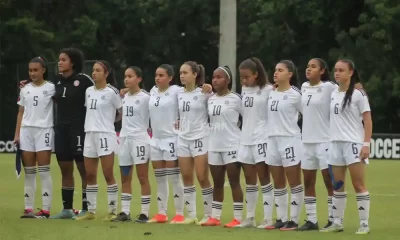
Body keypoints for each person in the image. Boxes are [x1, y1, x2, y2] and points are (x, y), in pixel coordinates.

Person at [320, 59, 372, 234]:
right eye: (335, 70)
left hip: (353, 144)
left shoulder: (358, 94)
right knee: (338, 185)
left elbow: (367, 120)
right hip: (335, 144)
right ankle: (337, 222)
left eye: (341, 70)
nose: (337, 73)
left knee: (358, 184)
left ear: (350, 73)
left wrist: (366, 144)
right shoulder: (334, 92)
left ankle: (364, 224)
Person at [75, 61, 121, 220]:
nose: (94, 73)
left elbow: (120, 112)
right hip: (90, 134)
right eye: (93, 70)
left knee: (108, 174)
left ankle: (112, 211)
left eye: (98, 70)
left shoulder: (112, 92)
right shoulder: (88, 91)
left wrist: (108, 123)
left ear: (106, 73)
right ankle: (91, 211)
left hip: (105, 135)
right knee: (90, 174)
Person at [201, 66, 244, 227]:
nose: (215, 80)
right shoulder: (210, 99)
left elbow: (248, 118)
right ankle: (215, 217)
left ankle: (238, 218)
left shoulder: (236, 98)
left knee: (234, 181)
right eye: (214, 77)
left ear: (228, 80)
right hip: (214, 144)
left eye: (219, 77)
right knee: (217, 182)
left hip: (232, 144)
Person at [236, 58, 274, 228]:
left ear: (256, 74)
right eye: (241, 77)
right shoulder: (244, 90)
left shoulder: (268, 90)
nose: (244, 80)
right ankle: (250, 217)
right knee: (250, 180)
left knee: (264, 178)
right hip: (245, 139)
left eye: (247, 77)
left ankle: (268, 218)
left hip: (262, 138)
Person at [297, 58, 335, 231]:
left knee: (329, 181)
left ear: (322, 71)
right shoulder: (303, 87)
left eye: (313, 66)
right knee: (308, 182)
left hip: (324, 141)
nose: (309, 69)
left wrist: (357, 87)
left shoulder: (328, 87)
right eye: (307, 66)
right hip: (307, 142)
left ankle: (333, 218)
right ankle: (311, 220)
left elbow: (345, 91)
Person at [266, 60, 304, 231]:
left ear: (290, 74)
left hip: (290, 140)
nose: (276, 73)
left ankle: (294, 220)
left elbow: (308, 114)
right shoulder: (271, 92)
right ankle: (281, 218)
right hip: (272, 140)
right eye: (275, 70)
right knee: (278, 182)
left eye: (280, 70)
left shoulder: (296, 94)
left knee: (294, 181)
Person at [15, 57, 55, 218]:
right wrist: (17, 134)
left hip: (44, 131)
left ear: (43, 70)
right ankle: (28, 208)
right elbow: (21, 112)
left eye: (35, 70)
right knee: (29, 172)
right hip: (26, 132)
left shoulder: (52, 87)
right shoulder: (24, 89)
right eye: (30, 70)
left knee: (44, 171)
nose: (32, 73)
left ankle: (45, 209)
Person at [112, 66, 152, 223]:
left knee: (142, 177)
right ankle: (125, 212)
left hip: (140, 139)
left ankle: (144, 213)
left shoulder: (146, 97)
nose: (126, 79)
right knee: (125, 177)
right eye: (125, 76)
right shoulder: (123, 96)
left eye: (130, 76)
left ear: (139, 79)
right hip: (124, 139)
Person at [176, 61, 213, 225]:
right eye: (180, 73)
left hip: (200, 138)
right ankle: (190, 215)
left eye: (185, 73)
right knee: (186, 176)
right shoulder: (178, 93)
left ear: (195, 75)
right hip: (183, 138)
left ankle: (208, 214)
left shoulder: (204, 93)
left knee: (202, 176)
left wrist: (210, 88)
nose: (182, 76)